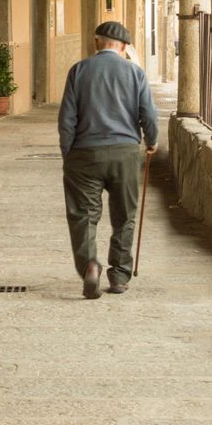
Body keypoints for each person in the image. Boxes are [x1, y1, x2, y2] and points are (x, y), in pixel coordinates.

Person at [58, 21, 158, 299]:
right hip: (124, 153)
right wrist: (152, 141)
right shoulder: (135, 73)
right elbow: (148, 114)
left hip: (84, 153)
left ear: (96, 42)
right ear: (124, 47)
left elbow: (67, 119)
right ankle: (120, 275)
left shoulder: (78, 71)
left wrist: (69, 154)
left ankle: (90, 265)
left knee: (83, 215)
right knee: (124, 215)